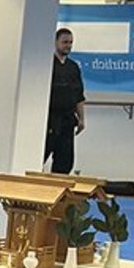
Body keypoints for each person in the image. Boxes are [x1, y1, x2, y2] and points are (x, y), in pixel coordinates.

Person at [45, 27, 86, 175]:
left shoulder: (73, 67)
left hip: (68, 120)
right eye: (65, 42)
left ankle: (57, 187)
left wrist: (81, 119)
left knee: (65, 161)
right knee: (40, 155)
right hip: (50, 119)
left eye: (70, 42)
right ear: (56, 42)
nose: (68, 45)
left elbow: (79, 95)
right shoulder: (48, 64)